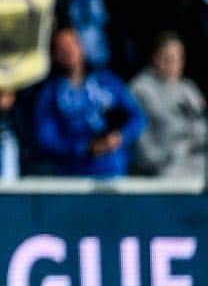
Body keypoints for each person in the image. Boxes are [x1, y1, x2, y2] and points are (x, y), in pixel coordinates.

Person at [34, 27, 145, 177]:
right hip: (73, 174)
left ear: (82, 47)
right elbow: (46, 138)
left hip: (113, 169)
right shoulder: (50, 93)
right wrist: (84, 148)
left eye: (73, 44)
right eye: (62, 48)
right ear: (55, 55)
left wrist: (119, 137)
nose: (69, 51)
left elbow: (137, 117)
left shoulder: (107, 81)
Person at [130, 33, 206, 178]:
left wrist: (189, 143)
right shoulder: (140, 89)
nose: (173, 63)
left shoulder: (188, 89)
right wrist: (164, 157)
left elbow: (201, 126)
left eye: (178, 58)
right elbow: (138, 137)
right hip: (157, 166)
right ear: (155, 58)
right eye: (167, 57)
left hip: (191, 160)